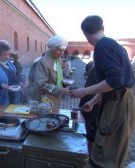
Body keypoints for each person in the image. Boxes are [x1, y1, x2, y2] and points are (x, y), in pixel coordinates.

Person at [70, 15, 135, 168]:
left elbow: (114, 81)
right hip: (123, 100)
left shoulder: (102, 47)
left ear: (85, 34)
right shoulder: (114, 45)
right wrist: (92, 102)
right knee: (116, 151)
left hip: (117, 105)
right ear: (102, 28)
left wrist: (84, 92)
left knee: (104, 154)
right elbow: (113, 84)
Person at [26, 35, 70, 113]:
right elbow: (41, 84)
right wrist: (61, 89)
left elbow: (57, 77)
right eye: (59, 50)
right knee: (46, 120)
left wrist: (64, 84)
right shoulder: (43, 62)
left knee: (54, 118)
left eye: (63, 50)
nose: (61, 53)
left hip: (55, 97)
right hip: (45, 99)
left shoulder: (57, 59)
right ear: (52, 49)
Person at [78, 63, 99, 150]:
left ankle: (89, 149)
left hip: (94, 103)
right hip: (89, 101)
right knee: (87, 126)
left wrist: (84, 92)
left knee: (91, 128)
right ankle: (87, 147)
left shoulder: (99, 66)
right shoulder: (95, 65)